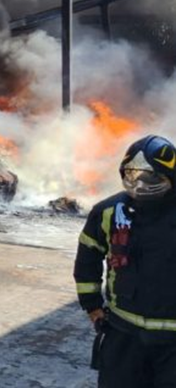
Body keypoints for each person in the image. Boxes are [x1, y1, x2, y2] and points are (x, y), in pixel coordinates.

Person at [74, 134, 176, 387]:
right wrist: (92, 305)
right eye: (132, 176)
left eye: (150, 177)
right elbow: (87, 257)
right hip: (124, 335)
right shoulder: (109, 212)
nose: (140, 185)